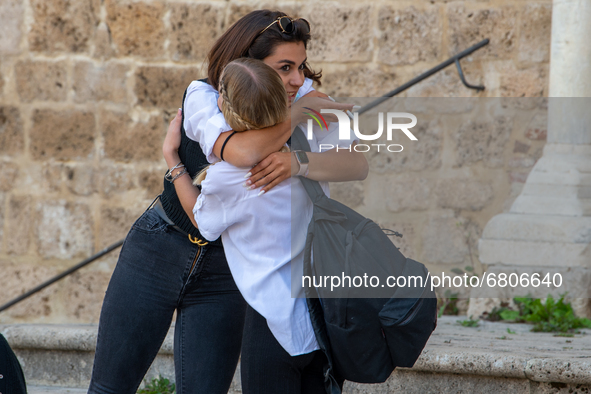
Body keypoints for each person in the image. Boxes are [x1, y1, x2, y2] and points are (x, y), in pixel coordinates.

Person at [89, 9, 366, 394]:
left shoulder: (300, 92)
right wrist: (300, 114)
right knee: (109, 388)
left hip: (227, 270)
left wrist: (300, 161)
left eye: (301, 66)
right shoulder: (203, 94)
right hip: (160, 247)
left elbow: (355, 161)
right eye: (285, 67)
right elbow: (239, 154)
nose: (298, 79)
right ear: (248, 65)